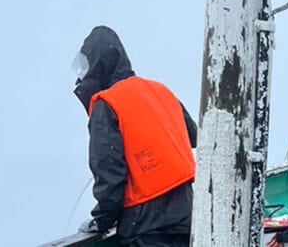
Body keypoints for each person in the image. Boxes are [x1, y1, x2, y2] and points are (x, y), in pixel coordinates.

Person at [73, 25, 197, 247]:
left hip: (146, 225)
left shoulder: (106, 104)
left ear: (98, 65)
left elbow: (109, 173)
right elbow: (193, 135)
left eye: (84, 65)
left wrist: (102, 220)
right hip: (188, 215)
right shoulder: (160, 91)